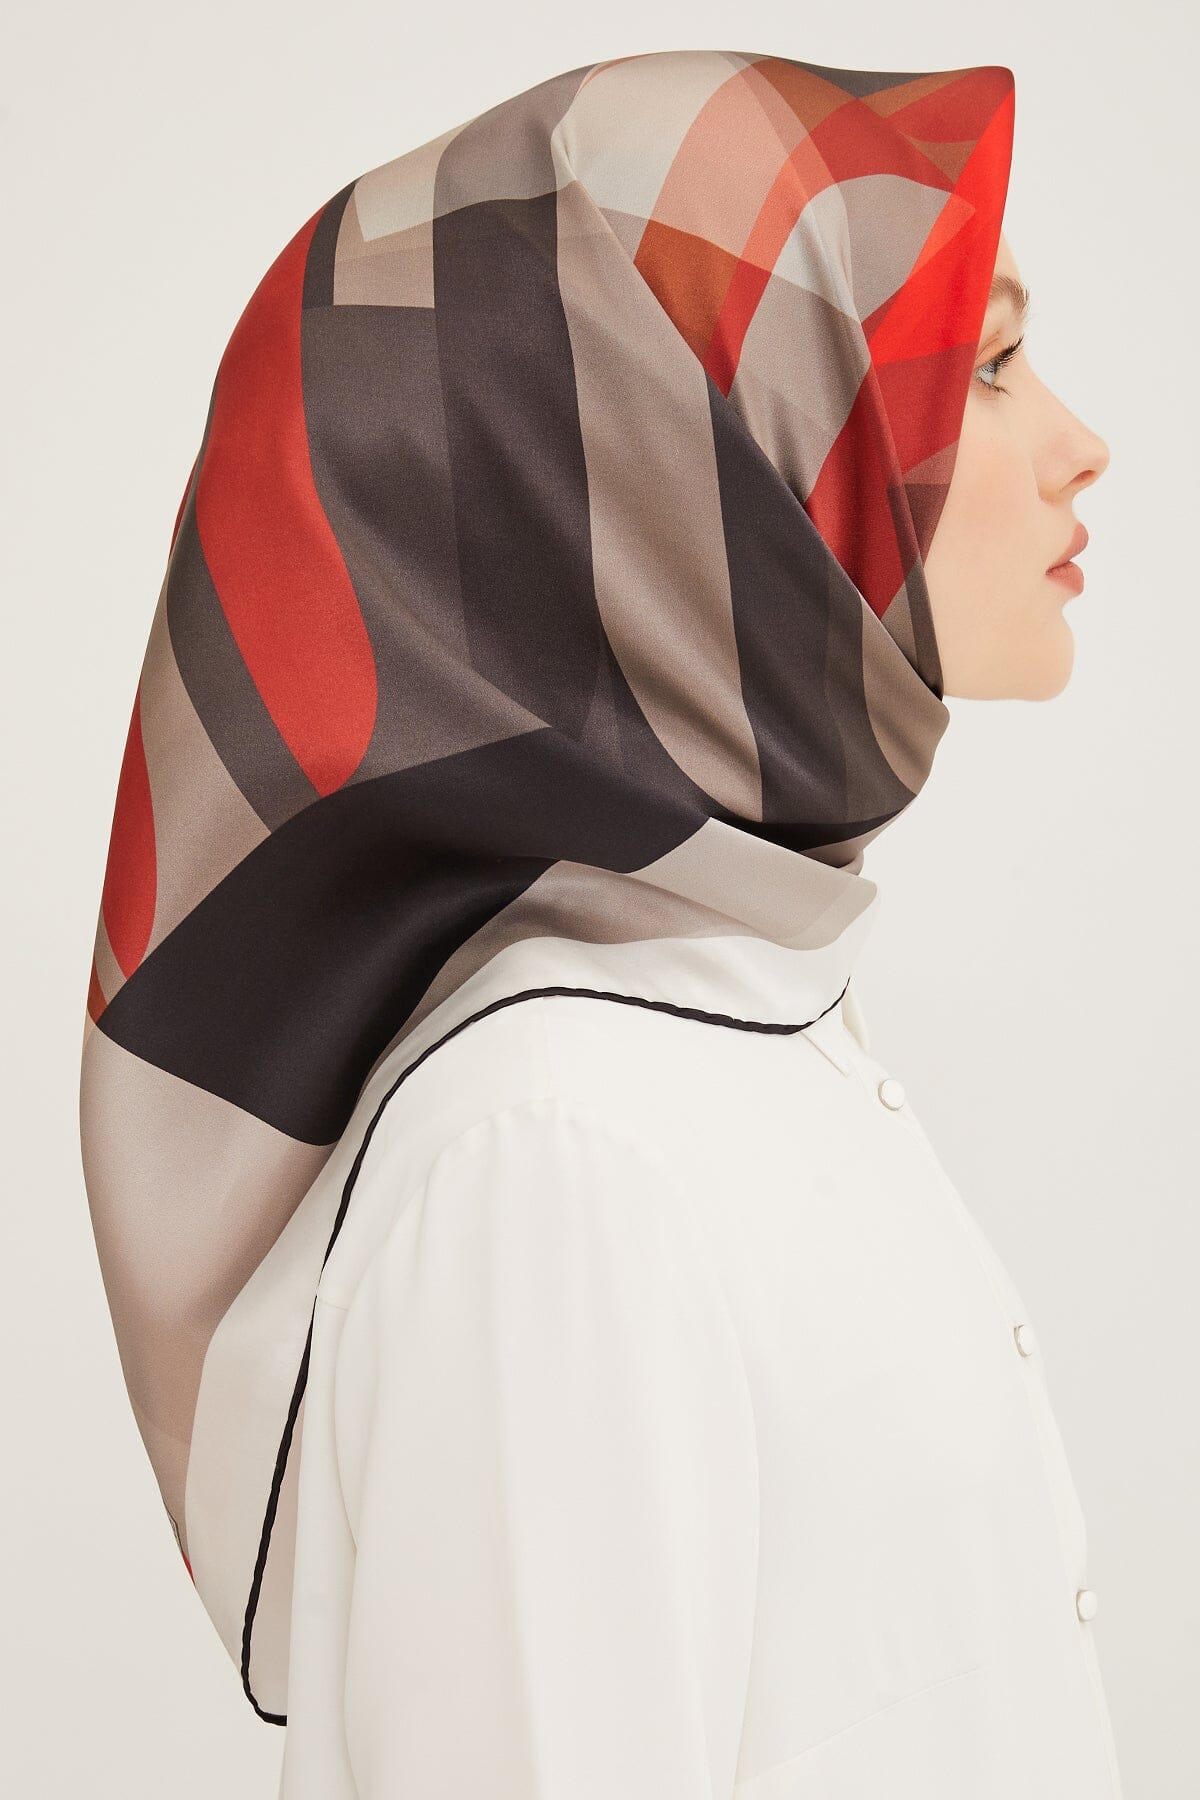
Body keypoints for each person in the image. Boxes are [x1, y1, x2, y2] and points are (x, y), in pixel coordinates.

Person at [76, 48, 1117, 1798]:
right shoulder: (558, 1157)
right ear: (702, 474)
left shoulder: (717, 1040)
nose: (1085, 446)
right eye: (990, 367)